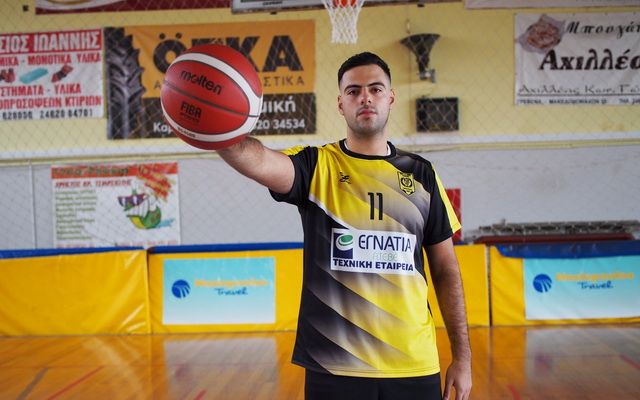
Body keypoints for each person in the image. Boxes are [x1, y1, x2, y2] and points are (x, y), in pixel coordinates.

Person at [217, 52, 472, 400]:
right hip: (334, 364)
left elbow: (446, 269)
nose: (365, 97)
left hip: (414, 363)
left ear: (391, 98)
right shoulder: (316, 166)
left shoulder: (422, 174)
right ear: (340, 104)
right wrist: (218, 130)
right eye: (353, 91)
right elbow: (259, 161)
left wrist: (463, 358)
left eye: (375, 89)